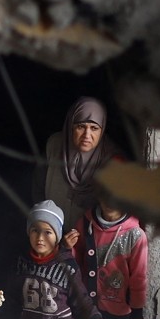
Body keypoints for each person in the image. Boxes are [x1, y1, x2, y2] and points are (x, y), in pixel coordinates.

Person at [40, 97, 122, 234]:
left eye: (94, 128)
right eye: (80, 127)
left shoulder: (114, 162)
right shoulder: (54, 146)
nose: (87, 135)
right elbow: (38, 187)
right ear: (70, 126)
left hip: (91, 240)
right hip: (50, 234)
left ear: (103, 129)